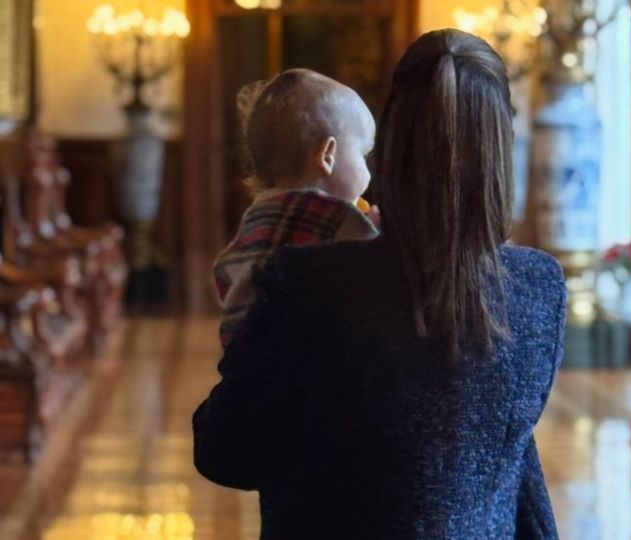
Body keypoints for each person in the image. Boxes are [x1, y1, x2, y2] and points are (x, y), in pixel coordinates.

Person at [193, 29, 566, 539]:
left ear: (392, 141)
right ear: (502, 150)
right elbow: (512, 459)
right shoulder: (540, 286)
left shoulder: (308, 281)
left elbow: (227, 452)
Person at [213, 68, 379, 347]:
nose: (368, 167)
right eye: (363, 154)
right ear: (327, 156)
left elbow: (226, 276)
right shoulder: (338, 221)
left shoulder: (256, 221)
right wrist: (378, 230)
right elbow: (380, 278)